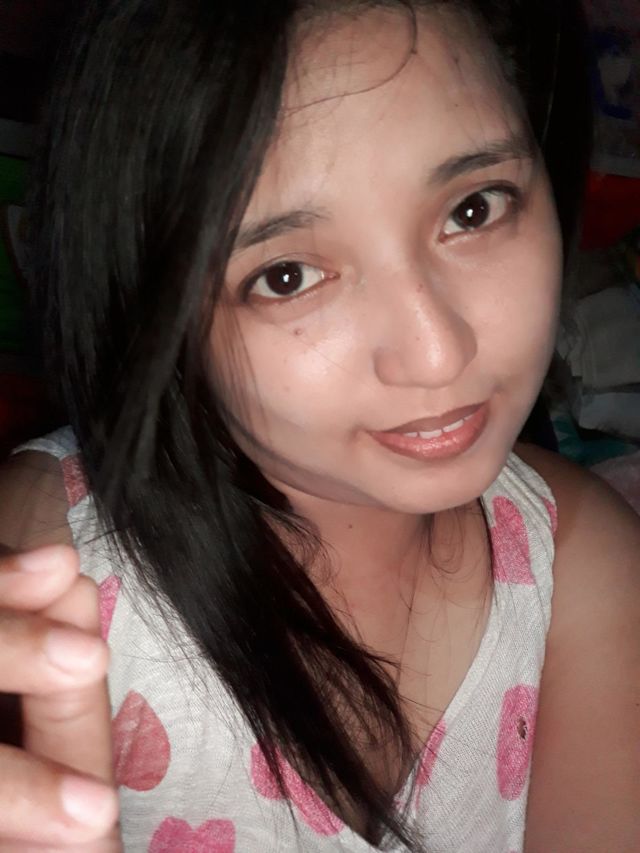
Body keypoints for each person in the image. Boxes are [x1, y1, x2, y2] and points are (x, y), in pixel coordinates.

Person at [0, 0, 638, 850]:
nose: (437, 352)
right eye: (288, 275)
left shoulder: (581, 568)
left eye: (473, 209)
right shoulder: (55, 573)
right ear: (158, 302)